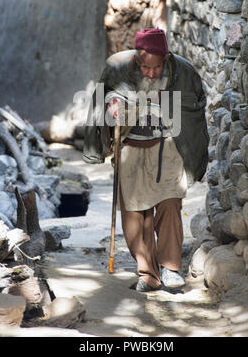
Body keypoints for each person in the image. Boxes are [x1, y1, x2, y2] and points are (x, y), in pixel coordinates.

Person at [83, 28, 209, 292]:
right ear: (136, 60)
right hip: (131, 149)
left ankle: (171, 268)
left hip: (168, 149)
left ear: (166, 58)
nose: (151, 73)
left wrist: (193, 156)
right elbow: (102, 97)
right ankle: (148, 273)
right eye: (145, 67)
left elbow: (195, 108)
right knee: (135, 216)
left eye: (157, 67)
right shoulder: (117, 68)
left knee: (169, 206)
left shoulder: (183, 73)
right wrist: (111, 105)